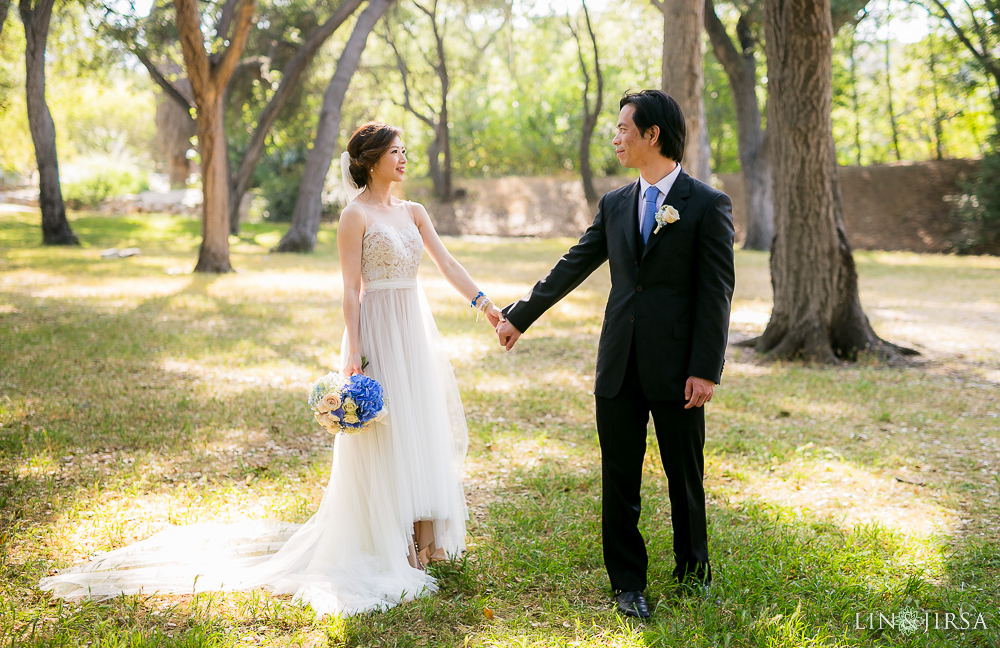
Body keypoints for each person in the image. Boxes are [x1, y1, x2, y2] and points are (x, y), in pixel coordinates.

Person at [40, 121, 502, 617]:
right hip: (376, 332)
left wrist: (488, 306)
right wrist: (354, 353)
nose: (404, 159)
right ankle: (393, 548)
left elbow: (447, 262)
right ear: (370, 161)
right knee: (383, 435)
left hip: (414, 328)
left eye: (404, 151)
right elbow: (351, 289)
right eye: (395, 151)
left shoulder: (414, 212)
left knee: (415, 426)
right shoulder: (354, 216)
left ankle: (424, 542)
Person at [495, 90, 735, 620]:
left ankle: (694, 573)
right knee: (619, 477)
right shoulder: (616, 203)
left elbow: (716, 293)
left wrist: (705, 368)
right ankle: (628, 583)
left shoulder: (708, 204)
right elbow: (574, 264)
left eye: (625, 128)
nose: (616, 136)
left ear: (653, 135)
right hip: (619, 362)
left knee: (684, 475)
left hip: (679, 370)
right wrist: (520, 314)